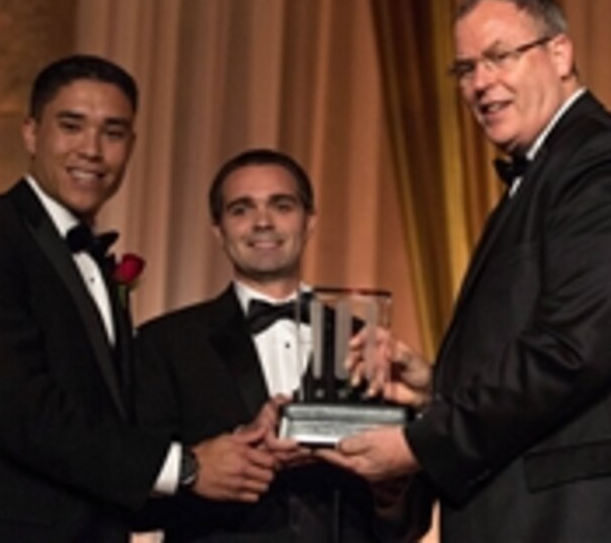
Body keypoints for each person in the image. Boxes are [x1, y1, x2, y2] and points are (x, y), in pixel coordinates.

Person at [322, 0, 611, 541]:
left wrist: (422, 444)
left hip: (603, 522)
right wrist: (434, 386)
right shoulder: (552, 173)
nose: (480, 84)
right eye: (465, 69)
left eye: (499, 57)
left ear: (560, 54)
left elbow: (572, 351)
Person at [0, 55, 280, 541]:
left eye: (113, 132)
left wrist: (232, 450)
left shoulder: (93, 265)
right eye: (71, 126)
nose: (91, 149)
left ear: (131, 146)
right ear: (30, 132)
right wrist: (187, 467)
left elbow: (107, 418)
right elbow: (18, 408)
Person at [135, 149, 427, 542]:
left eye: (281, 205)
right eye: (241, 209)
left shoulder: (365, 339)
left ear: (309, 222)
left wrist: (390, 495)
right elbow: (135, 494)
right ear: (218, 230)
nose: (262, 222)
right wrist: (221, 461)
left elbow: (406, 517)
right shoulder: (165, 343)